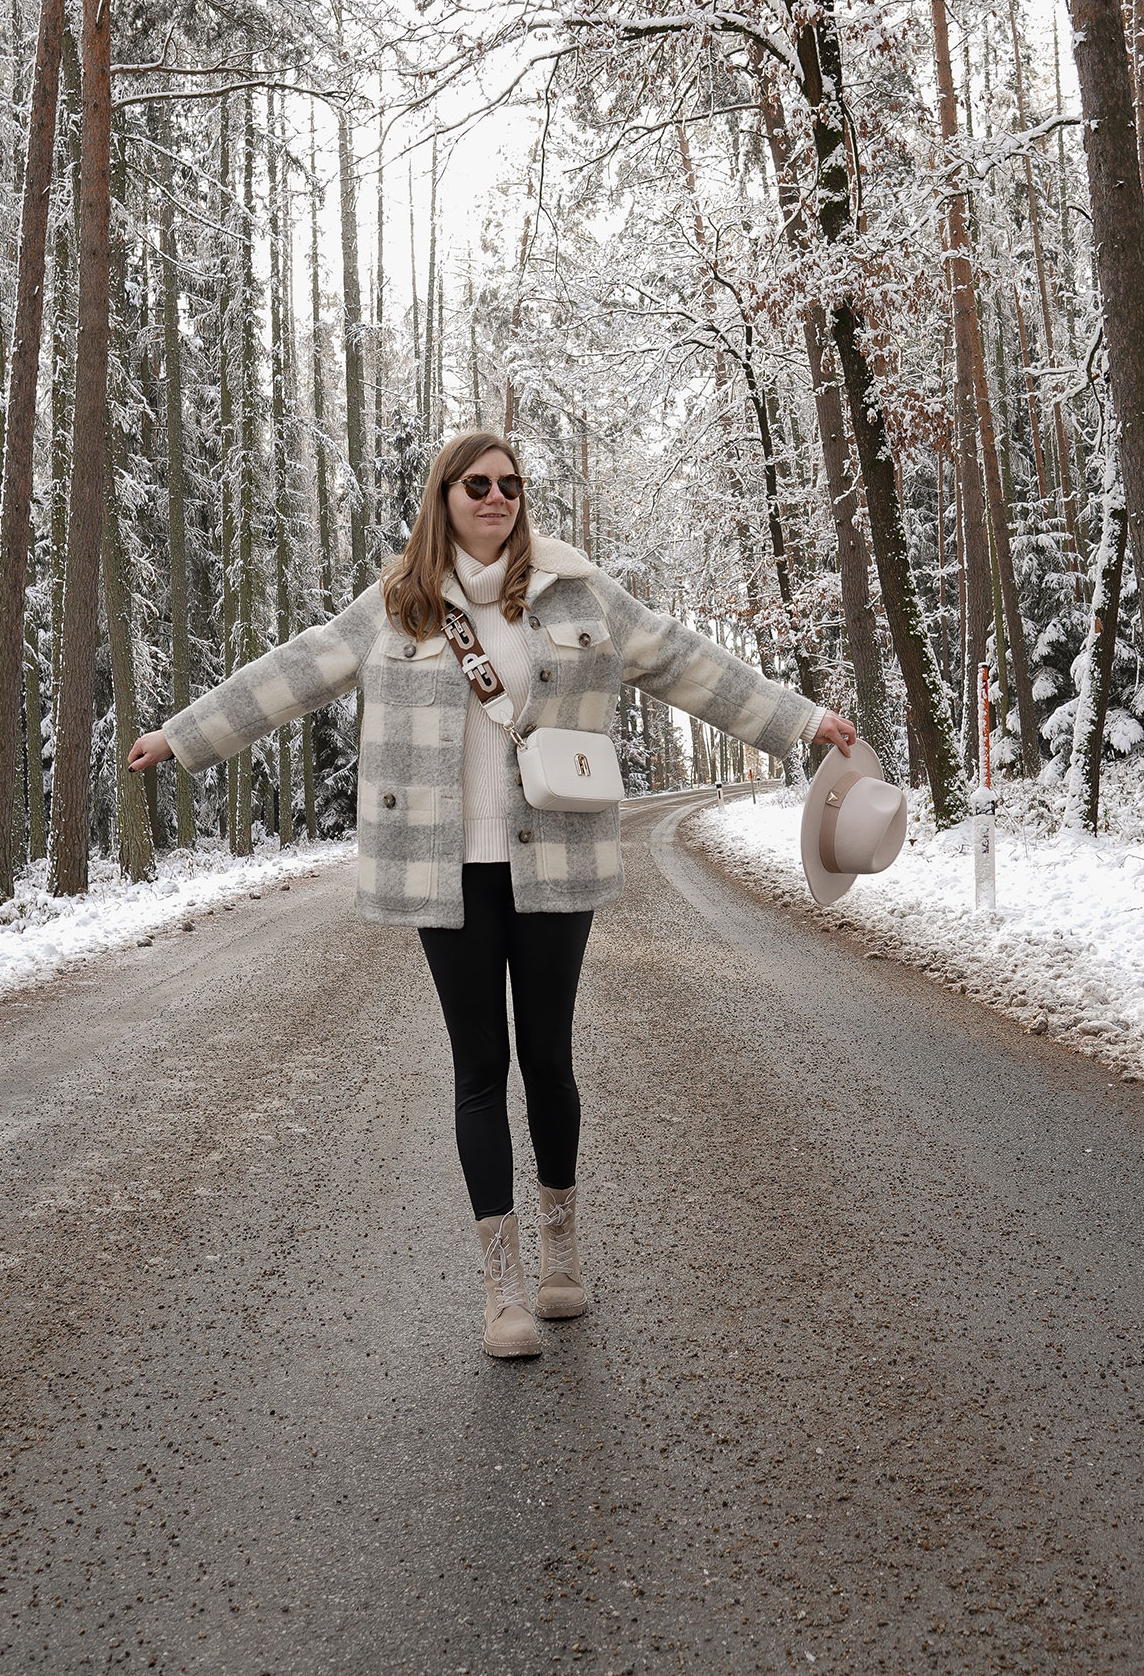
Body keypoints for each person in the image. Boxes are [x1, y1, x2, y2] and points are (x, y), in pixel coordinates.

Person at [129, 430, 856, 1360]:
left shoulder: (578, 594)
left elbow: (687, 663)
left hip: (554, 859)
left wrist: (801, 719)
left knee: (547, 1059)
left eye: (510, 484)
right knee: (479, 1070)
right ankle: (499, 1287)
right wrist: (183, 737)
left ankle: (559, 1254)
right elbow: (292, 673)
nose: (495, 497)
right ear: (444, 496)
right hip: (443, 868)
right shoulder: (395, 607)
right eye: (476, 484)